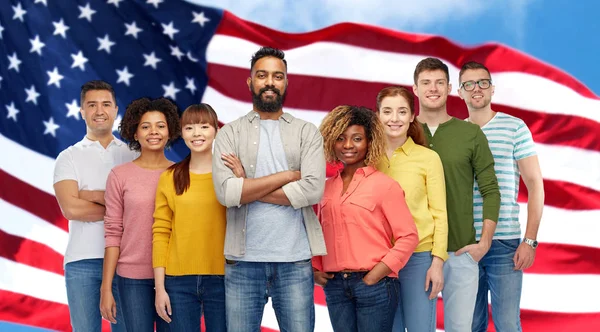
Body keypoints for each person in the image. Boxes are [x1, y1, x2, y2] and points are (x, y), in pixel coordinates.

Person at [212, 46, 326, 332]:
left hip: (295, 262)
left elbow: (312, 191)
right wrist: (288, 176)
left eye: (278, 76)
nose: (270, 82)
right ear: (250, 82)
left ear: (286, 82)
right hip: (243, 263)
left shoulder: (306, 131)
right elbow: (227, 194)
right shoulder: (229, 133)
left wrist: (247, 186)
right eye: (262, 75)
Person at [412, 57, 501, 332]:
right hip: (415, 252)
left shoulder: (470, 133)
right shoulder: (402, 130)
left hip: (461, 251)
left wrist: (484, 243)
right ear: (415, 89)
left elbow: (490, 190)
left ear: (450, 88)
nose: (433, 88)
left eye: (439, 82)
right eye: (426, 83)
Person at [313, 105, 418, 332]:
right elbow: (316, 233)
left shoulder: (385, 185)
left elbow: (408, 236)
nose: (348, 145)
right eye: (341, 138)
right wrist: (315, 269)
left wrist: (376, 275)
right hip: (335, 286)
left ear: (369, 142)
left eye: (357, 138)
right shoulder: (324, 189)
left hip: (375, 285)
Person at [457, 61, 544, 332]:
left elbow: (535, 184)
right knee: (471, 324)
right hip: (464, 245)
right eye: (468, 84)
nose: (476, 89)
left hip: (505, 243)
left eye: (483, 82)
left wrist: (530, 241)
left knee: (507, 324)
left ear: (492, 89)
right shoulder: (455, 134)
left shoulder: (515, 127)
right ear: (460, 92)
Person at [53, 80, 134, 331]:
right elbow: (72, 209)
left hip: (127, 260)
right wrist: (120, 208)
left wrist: (91, 195)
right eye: (92, 105)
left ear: (115, 110)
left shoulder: (133, 154)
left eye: (106, 104)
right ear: (82, 112)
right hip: (82, 260)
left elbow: (142, 208)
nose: (99, 111)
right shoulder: (68, 157)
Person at [99, 97, 180, 331]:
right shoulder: (119, 176)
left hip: (174, 276)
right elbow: (113, 233)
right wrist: (106, 288)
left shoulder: (181, 174)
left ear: (170, 131)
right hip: (132, 278)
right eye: (145, 126)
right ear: (135, 133)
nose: (153, 132)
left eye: (160, 126)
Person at [376, 86, 448, 332]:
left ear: (411, 117)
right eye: (387, 111)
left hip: (419, 258)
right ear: (377, 116)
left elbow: (440, 213)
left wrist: (437, 262)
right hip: (379, 260)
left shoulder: (428, 158)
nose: (394, 118)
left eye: (401, 111)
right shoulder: (367, 159)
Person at [152, 104, 227, 331]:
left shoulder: (229, 175)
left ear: (216, 130)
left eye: (204, 126)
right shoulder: (170, 177)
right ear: (182, 133)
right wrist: (160, 287)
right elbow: (161, 232)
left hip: (224, 278)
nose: (197, 134)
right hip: (178, 280)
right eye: (190, 128)